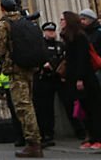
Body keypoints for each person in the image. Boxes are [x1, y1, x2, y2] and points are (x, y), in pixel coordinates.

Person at [0, 0, 42, 157]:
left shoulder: (4, 24)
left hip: (15, 70)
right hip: (29, 68)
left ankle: (33, 143)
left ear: (2, 8)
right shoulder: (26, 21)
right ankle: (35, 140)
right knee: (30, 103)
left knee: (23, 106)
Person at [60, 11, 101, 149]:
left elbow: (82, 60)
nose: (61, 22)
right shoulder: (70, 37)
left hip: (85, 78)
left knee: (93, 108)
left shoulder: (80, 37)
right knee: (84, 109)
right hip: (75, 78)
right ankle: (90, 138)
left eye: (63, 19)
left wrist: (79, 79)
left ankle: (98, 138)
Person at [33, 21, 64, 147]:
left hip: (57, 78)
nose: (51, 33)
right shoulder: (40, 46)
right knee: (44, 108)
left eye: (53, 31)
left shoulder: (60, 45)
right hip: (44, 80)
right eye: (49, 31)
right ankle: (45, 134)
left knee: (57, 106)